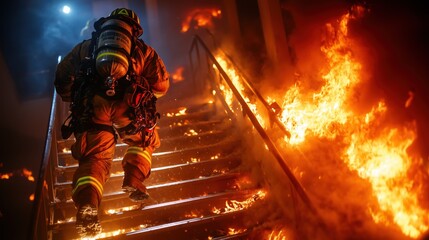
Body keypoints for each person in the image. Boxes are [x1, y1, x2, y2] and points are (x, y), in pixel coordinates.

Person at [54, 8, 170, 238]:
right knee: (145, 139)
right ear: (133, 29)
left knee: (94, 158)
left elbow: (62, 78)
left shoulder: (86, 47)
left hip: (93, 107)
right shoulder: (144, 50)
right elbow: (162, 86)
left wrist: (73, 96)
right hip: (128, 108)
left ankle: (88, 203)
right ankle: (134, 180)